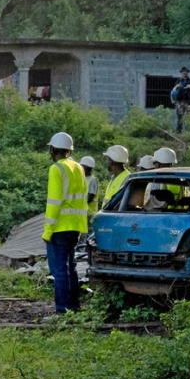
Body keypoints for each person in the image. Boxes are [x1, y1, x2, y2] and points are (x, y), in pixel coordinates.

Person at [42, 132, 89, 313]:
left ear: (53, 149)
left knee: (59, 271)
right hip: (75, 226)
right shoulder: (79, 168)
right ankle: (74, 306)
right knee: (71, 268)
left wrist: (48, 231)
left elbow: (54, 202)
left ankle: (62, 309)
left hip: (59, 227)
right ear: (69, 150)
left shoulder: (56, 169)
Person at [100, 145, 131, 210]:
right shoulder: (114, 177)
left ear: (113, 161)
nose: (107, 162)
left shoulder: (127, 178)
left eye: (108, 159)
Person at [171, 67, 190, 133]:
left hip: (189, 102)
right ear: (181, 73)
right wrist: (176, 87)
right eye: (183, 71)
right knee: (180, 117)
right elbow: (173, 91)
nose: (184, 72)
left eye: (186, 71)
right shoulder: (178, 81)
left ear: (188, 72)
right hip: (180, 102)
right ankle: (178, 132)